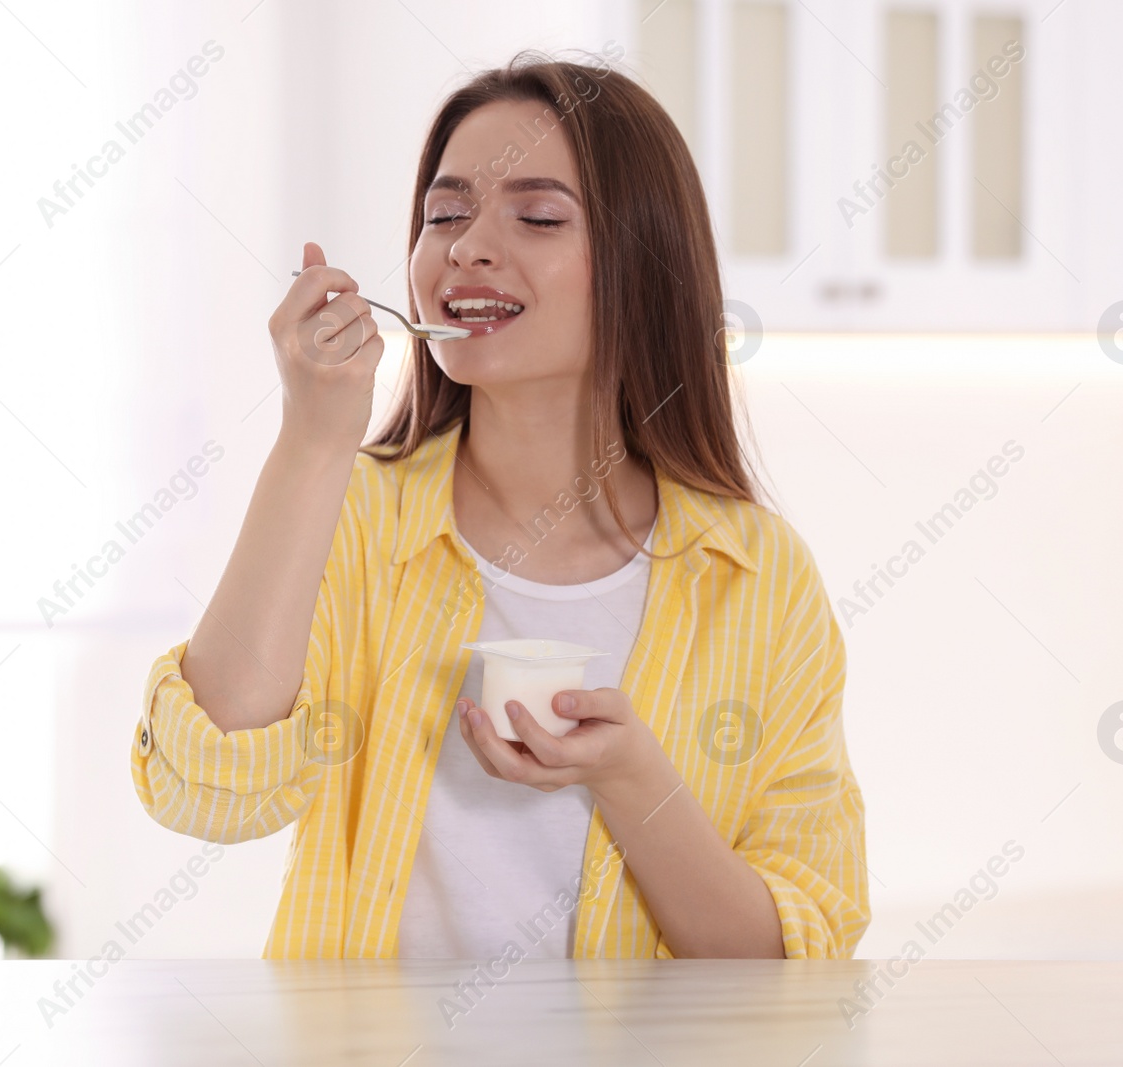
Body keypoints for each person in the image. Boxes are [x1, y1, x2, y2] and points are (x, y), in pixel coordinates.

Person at [130, 50, 869, 961]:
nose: (468, 246)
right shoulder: (354, 512)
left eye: (538, 215)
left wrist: (630, 777)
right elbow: (206, 788)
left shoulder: (755, 574)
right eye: (445, 213)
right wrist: (312, 441)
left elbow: (789, 961)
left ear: (645, 262)